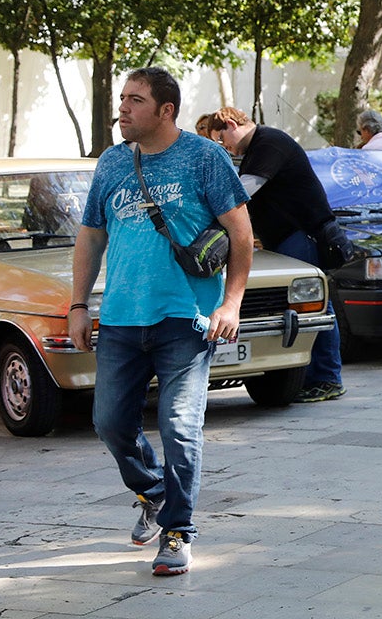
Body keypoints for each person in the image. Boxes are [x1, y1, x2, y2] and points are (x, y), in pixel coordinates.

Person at [71, 67, 253, 575]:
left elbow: (240, 234)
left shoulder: (204, 157)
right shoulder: (110, 163)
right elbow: (90, 237)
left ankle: (177, 530)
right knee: (109, 422)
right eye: (122, 98)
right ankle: (152, 491)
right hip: (122, 319)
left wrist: (231, 303)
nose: (123, 108)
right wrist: (78, 304)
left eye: (135, 100)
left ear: (165, 110)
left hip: (186, 318)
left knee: (179, 426)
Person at [209, 107, 346, 402]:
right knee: (303, 309)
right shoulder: (259, 147)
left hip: (301, 236)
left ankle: (327, 378)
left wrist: (210, 211)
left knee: (315, 308)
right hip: (285, 238)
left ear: (231, 124)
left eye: (222, 140)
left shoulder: (269, 143)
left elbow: (245, 190)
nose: (225, 148)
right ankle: (314, 375)